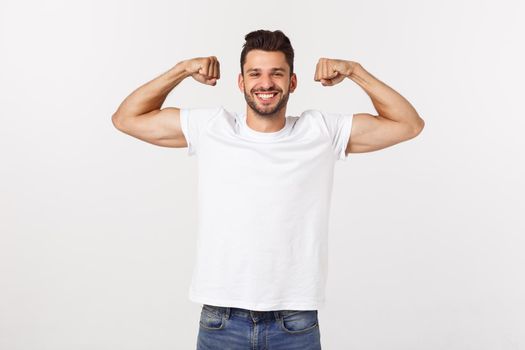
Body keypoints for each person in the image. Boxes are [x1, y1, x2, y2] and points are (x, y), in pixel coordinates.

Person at [111, 29, 424, 350]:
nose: (266, 83)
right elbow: (126, 118)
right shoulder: (211, 127)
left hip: (294, 320)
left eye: (277, 73)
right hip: (222, 316)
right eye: (255, 73)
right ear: (241, 82)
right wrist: (182, 69)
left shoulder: (320, 131)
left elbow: (408, 124)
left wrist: (355, 71)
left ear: (292, 82)